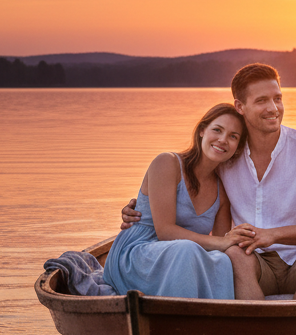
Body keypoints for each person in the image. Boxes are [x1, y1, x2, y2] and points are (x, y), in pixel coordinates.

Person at [121, 64, 296, 301]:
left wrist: (272, 235)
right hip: (252, 263)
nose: (273, 108)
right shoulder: (227, 156)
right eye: (261, 101)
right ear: (240, 106)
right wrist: (141, 208)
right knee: (234, 254)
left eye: (277, 98)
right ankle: (256, 328)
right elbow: (188, 186)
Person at [103, 103, 264, 300]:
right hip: (137, 252)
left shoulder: (223, 190)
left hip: (183, 256)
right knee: (186, 250)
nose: (223, 140)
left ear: (238, 147)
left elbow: (220, 245)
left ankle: (217, 321)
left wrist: (232, 241)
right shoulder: (167, 163)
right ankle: (181, 319)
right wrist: (222, 241)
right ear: (202, 131)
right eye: (217, 130)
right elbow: (165, 231)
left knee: (223, 260)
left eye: (233, 136)